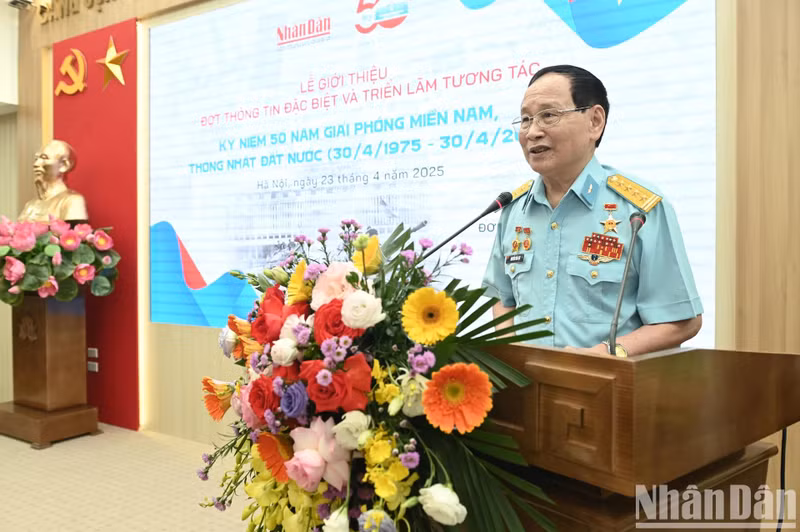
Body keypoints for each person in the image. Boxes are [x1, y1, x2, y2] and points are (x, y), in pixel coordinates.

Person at [481, 65, 702, 357]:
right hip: (525, 389)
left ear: (595, 122)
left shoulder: (639, 210)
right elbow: (503, 298)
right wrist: (513, 351)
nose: (533, 132)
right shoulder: (514, 210)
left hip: (607, 388)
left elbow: (680, 320)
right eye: (525, 119)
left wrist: (607, 354)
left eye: (548, 115)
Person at [18, 139, 88, 223]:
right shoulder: (30, 205)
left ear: (64, 165)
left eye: (44, 158)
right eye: (36, 159)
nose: (36, 164)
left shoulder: (73, 201)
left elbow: (73, 231)